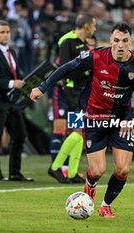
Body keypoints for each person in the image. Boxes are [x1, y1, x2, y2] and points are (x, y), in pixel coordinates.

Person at [30, 23, 134, 218]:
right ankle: (80, 180)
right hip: (92, 116)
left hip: (121, 121)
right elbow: (66, 68)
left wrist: (130, 119)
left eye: (125, 41)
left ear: (130, 42)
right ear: (110, 40)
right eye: (117, 40)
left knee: (123, 169)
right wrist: (42, 87)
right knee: (97, 170)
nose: (120, 45)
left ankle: (105, 205)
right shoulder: (94, 55)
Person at [48, 14, 96, 184]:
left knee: (80, 133)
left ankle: (72, 171)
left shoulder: (83, 45)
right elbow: (65, 67)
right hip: (70, 90)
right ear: (86, 25)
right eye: (93, 25)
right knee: (77, 132)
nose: (95, 29)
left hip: (80, 91)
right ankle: (55, 167)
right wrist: (84, 71)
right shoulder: (67, 40)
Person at [0, 20, 33, 182]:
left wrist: (26, 86)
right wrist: (12, 83)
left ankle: (14, 172)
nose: (5, 35)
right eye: (2, 32)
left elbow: (16, 74)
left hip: (12, 102)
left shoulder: (12, 51)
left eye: (7, 32)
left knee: (20, 135)